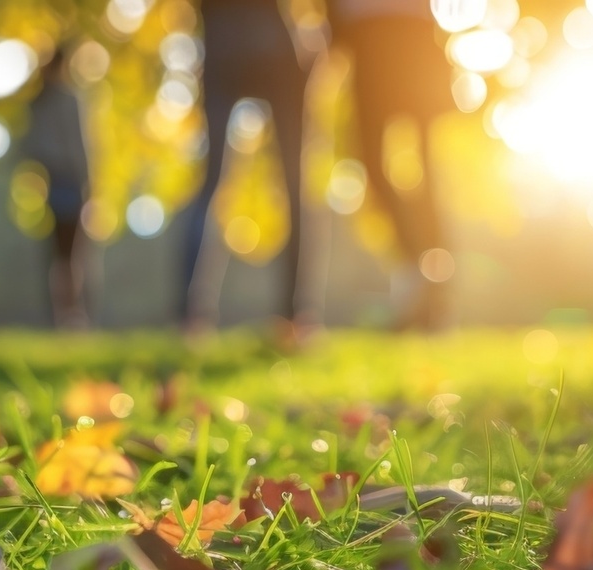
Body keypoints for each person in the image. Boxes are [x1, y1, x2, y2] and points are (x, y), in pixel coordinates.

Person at [178, 0, 323, 330]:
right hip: (272, 35)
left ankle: (191, 315)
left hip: (221, 37)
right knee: (293, 180)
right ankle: (295, 316)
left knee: (209, 180)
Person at [330, 0, 457, 330]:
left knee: (425, 171)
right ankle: (420, 271)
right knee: (372, 162)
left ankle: (431, 290)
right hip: (373, 32)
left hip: (412, 31)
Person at [18, 47, 94, 329]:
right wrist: (88, 182)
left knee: (61, 254)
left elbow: (29, 148)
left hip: (52, 182)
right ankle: (70, 315)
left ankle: (65, 314)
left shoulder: (39, 103)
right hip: (68, 182)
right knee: (71, 254)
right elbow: (79, 146)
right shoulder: (62, 99)